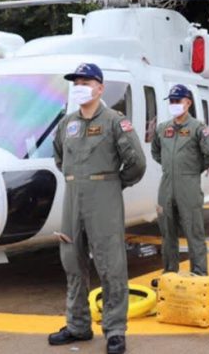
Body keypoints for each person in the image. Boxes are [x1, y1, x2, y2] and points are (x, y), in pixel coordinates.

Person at [49, 63, 146, 354]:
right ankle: (78, 325)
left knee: (110, 265)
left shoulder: (115, 121)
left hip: (104, 198)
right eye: (76, 83)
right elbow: (59, 157)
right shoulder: (67, 124)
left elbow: (137, 163)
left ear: (100, 88)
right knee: (72, 261)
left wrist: (112, 185)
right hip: (72, 197)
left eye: (86, 82)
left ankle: (115, 330)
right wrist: (77, 179)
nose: (79, 87)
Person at [151, 84, 209, 276]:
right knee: (167, 233)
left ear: (188, 103)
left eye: (177, 100)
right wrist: (171, 167)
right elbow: (155, 151)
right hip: (166, 186)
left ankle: (199, 274)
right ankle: (170, 273)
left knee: (194, 232)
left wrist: (194, 168)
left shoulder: (198, 128)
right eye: (171, 101)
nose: (174, 104)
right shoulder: (163, 128)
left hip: (188, 186)